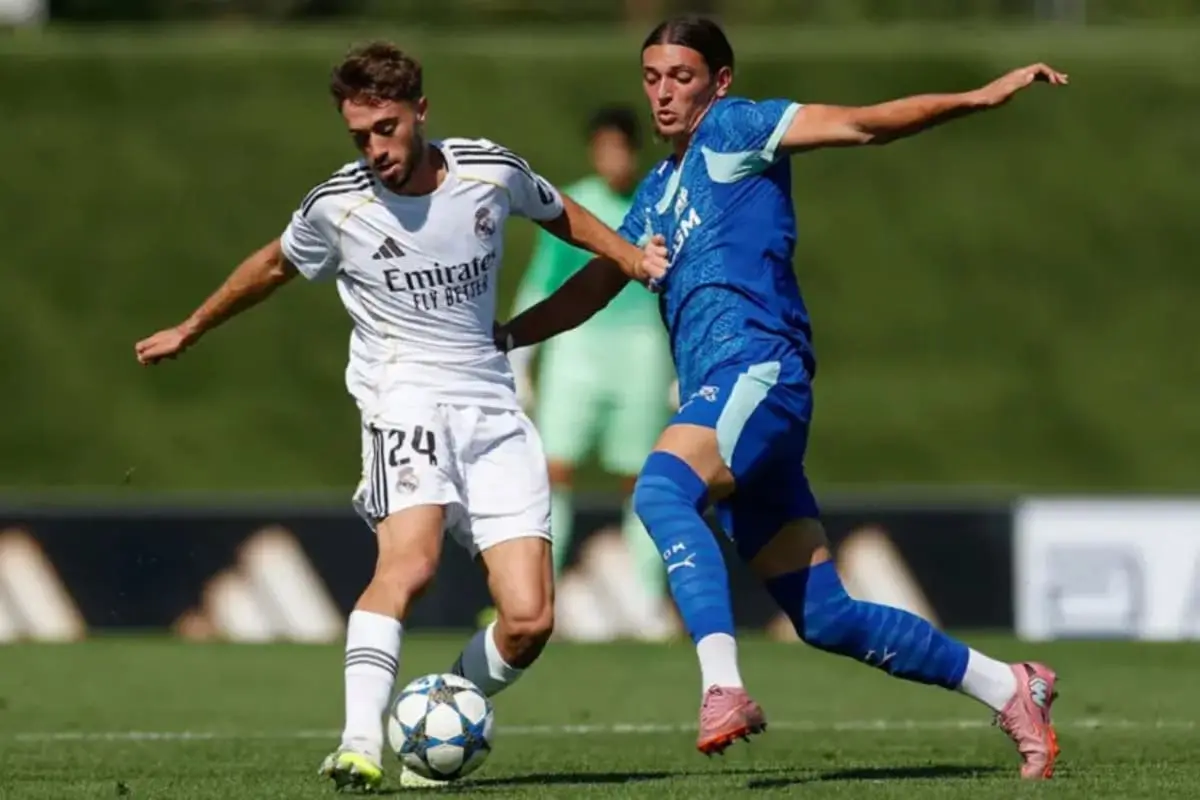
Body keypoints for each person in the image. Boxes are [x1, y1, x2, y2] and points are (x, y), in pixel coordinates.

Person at [495, 15, 1067, 780]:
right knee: (826, 616)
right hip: (731, 395)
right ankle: (1012, 686)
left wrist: (978, 97)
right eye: (654, 78)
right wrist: (501, 338)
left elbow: (863, 125)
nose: (665, 93)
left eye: (683, 77)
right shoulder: (659, 190)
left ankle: (723, 687)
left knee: (662, 490)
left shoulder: (738, 129)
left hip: (757, 373)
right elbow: (594, 287)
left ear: (720, 81)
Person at [133, 41, 661, 791]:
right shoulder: (339, 205)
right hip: (403, 397)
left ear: (420, 110)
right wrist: (192, 326)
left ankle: (435, 714)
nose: (374, 149)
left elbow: (565, 215)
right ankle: (357, 744)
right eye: (359, 136)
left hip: (491, 401)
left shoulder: (487, 171)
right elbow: (273, 265)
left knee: (529, 621)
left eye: (385, 127)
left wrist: (633, 258)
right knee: (408, 564)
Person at [507, 105, 677, 640]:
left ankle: (646, 600)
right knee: (553, 469)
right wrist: (520, 357)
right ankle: (538, 600)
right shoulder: (571, 205)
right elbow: (541, 282)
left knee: (642, 476)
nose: (612, 159)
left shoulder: (662, 203)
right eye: (602, 148)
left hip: (643, 349)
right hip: (578, 350)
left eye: (620, 147)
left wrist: (686, 363)